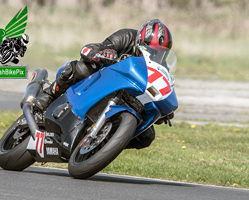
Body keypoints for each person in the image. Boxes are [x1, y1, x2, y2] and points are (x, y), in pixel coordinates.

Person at [34, 19, 174, 149]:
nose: (154, 55)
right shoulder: (126, 36)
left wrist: (161, 107)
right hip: (101, 78)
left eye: (160, 53)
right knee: (82, 69)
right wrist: (106, 53)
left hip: (125, 97)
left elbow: (156, 87)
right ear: (139, 42)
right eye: (150, 49)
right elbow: (98, 48)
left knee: (146, 137)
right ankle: (49, 95)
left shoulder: (159, 65)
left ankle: (103, 145)